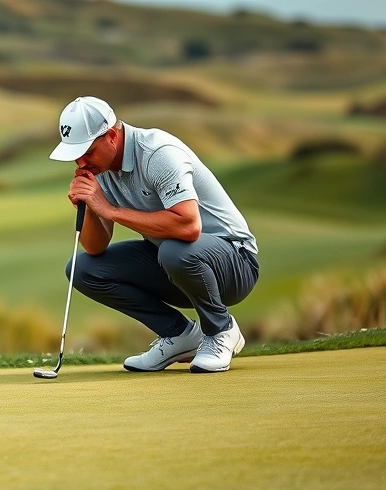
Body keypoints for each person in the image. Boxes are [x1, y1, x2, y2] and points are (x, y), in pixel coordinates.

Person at [49, 96, 259, 373]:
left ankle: (221, 330)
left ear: (111, 136)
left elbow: (189, 226)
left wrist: (110, 210)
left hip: (235, 263)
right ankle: (180, 335)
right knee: (83, 269)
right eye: (75, 154)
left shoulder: (158, 152)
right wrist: (90, 206)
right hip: (177, 263)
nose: (80, 161)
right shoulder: (99, 169)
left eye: (87, 152)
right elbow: (95, 247)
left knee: (175, 250)